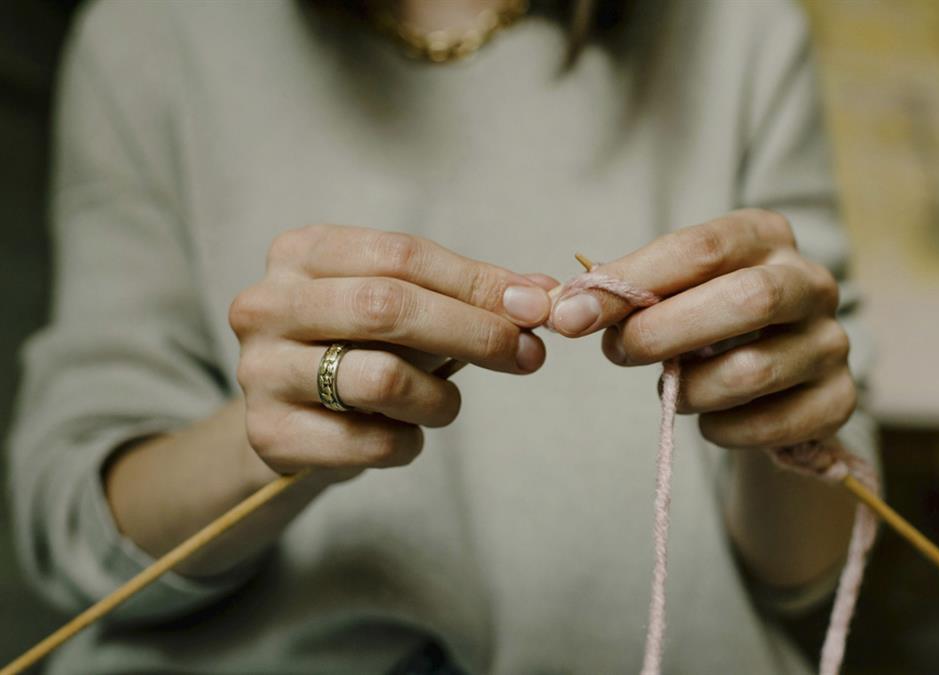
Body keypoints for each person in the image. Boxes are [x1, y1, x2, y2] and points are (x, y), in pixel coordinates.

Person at [8, 1, 875, 673]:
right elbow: (78, 532)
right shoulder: (153, 34)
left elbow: (810, 569)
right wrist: (270, 437)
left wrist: (786, 408)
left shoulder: (741, 30)